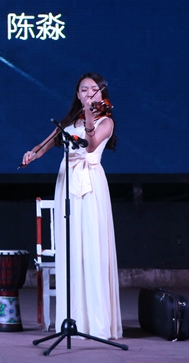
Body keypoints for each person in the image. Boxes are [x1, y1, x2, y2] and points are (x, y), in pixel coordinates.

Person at [21, 73, 122, 340]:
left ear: (101, 93)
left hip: (89, 184)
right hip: (67, 181)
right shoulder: (69, 121)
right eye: (83, 89)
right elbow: (46, 144)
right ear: (77, 94)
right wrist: (32, 154)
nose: (89, 93)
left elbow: (90, 146)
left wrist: (89, 116)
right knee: (71, 247)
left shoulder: (105, 120)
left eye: (94, 89)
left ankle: (96, 324)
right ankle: (73, 318)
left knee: (91, 245)